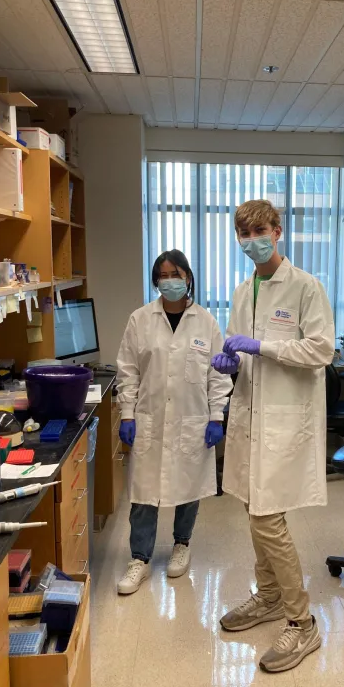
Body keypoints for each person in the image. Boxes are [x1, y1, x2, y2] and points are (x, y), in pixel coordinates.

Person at [212, 199, 335, 673]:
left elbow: (321, 349)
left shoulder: (305, 286)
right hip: (251, 417)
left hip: (287, 420)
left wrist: (261, 347)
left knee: (267, 518)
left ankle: (302, 624)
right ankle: (266, 597)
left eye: (259, 230)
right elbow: (240, 351)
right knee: (251, 507)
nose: (252, 240)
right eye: (243, 234)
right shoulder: (245, 291)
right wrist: (232, 361)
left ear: (278, 231)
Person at [116, 250, 232, 594]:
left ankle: (182, 545)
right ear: (156, 281)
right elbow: (128, 370)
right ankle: (139, 558)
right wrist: (126, 413)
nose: (170, 281)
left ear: (189, 278)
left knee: (188, 487)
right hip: (149, 419)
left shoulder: (206, 322)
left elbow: (217, 374)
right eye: (164, 275)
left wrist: (216, 416)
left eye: (176, 274)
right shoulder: (140, 319)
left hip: (192, 420)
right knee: (143, 494)